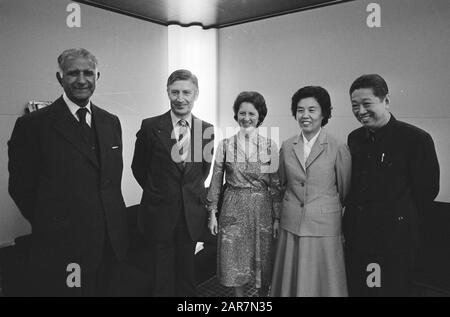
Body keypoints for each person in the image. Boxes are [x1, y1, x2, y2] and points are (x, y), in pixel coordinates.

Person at [8, 48, 129, 296]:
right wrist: (54, 225)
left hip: (111, 243)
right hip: (63, 247)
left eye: (88, 73)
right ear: (59, 77)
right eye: (73, 73)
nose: (82, 80)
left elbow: (110, 182)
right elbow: (21, 188)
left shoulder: (111, 122)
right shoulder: (33, 125)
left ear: (98, 76)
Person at [343, 74, 440, 297]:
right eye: (354, 106)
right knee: (362, 289)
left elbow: (427, 190)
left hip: (394, 237)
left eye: (367, 104)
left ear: (386, 101)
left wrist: (398, 216)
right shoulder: (355, 138)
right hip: (359, 233)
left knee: (389, 289)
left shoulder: (416, 139)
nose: (360, 111)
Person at [132, 69, 214, 297]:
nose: (180, 98)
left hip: (190, 216)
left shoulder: (206, 130)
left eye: (186, 92)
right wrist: (160, 193)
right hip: (159, 214)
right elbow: (138, 168)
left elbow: (202, 172)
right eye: (175, 92)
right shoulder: (150, 127)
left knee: (188, 276)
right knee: (161, 276)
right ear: (167, 92)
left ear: (196, 94)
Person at [270, 86, 351, 297]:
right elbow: (281, 183)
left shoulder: (337, 147)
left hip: (324, 225)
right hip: (292, 223)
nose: (305, 115)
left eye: (312, 110)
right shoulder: (287, 146)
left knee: (324, 283)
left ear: (324, 113)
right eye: (300, 110)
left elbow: (344, 189)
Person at [207, 91, 281, 297]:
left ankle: (261, 296)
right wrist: (212, 212)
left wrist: (277, 217)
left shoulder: (269, 146)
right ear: (236, 115)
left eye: (251, 113)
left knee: (263, 257)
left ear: (260, 117)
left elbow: (275, 184)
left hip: (261, 207)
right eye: (242, 113)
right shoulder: (225, 145)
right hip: (233, 205)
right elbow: (215, 179)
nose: (246, 118)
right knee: (234, 258)